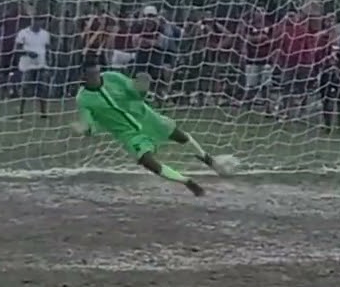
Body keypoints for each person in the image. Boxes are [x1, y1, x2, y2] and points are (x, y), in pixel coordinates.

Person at [72, 56, 236, 196]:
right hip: (128, 133)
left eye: (97, 73)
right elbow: (89, 124)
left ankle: (208, 159)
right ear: (83, 76)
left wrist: (142, 87)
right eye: (91, 75)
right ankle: (187, 182)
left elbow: (136, 94)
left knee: (180, 136)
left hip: (147, 118)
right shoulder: (83, 99)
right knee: (147, 161)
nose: (95, 77)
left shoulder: (113, 77)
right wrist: (85, 129)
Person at [15, 15, 52, 117]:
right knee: (25, 88)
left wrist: (49, 62)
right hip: (27, 65)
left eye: (41, 20)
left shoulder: (45, 34)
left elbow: (48, 49)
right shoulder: (23, 33)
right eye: (37, 20)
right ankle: (20, 111)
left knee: (43, 88)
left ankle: (43, 112)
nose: (39, 22)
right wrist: (28, 53)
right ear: (32, 20)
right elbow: (17, 49)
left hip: (41, 65)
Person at [318, 44, 340, 134]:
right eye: (333, 50)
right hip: (326, 83)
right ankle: (328, 125)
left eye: (336, 50)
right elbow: (321, 69)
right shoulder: (325, 59)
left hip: (338, 84)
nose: (334, 53)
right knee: (327, 104)